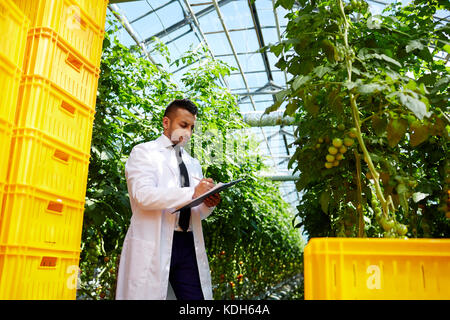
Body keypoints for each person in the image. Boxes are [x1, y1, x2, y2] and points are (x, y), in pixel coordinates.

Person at [116, 99, 221, 300]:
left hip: (188, 243)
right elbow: (143, 196)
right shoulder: (144, 152)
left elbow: (194, 210)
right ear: (166, 123)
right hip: (155, 241)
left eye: (192, 127)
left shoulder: (192, 163)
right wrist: (192, 192)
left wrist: (207, 202)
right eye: (183, 125)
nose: (188, 133)